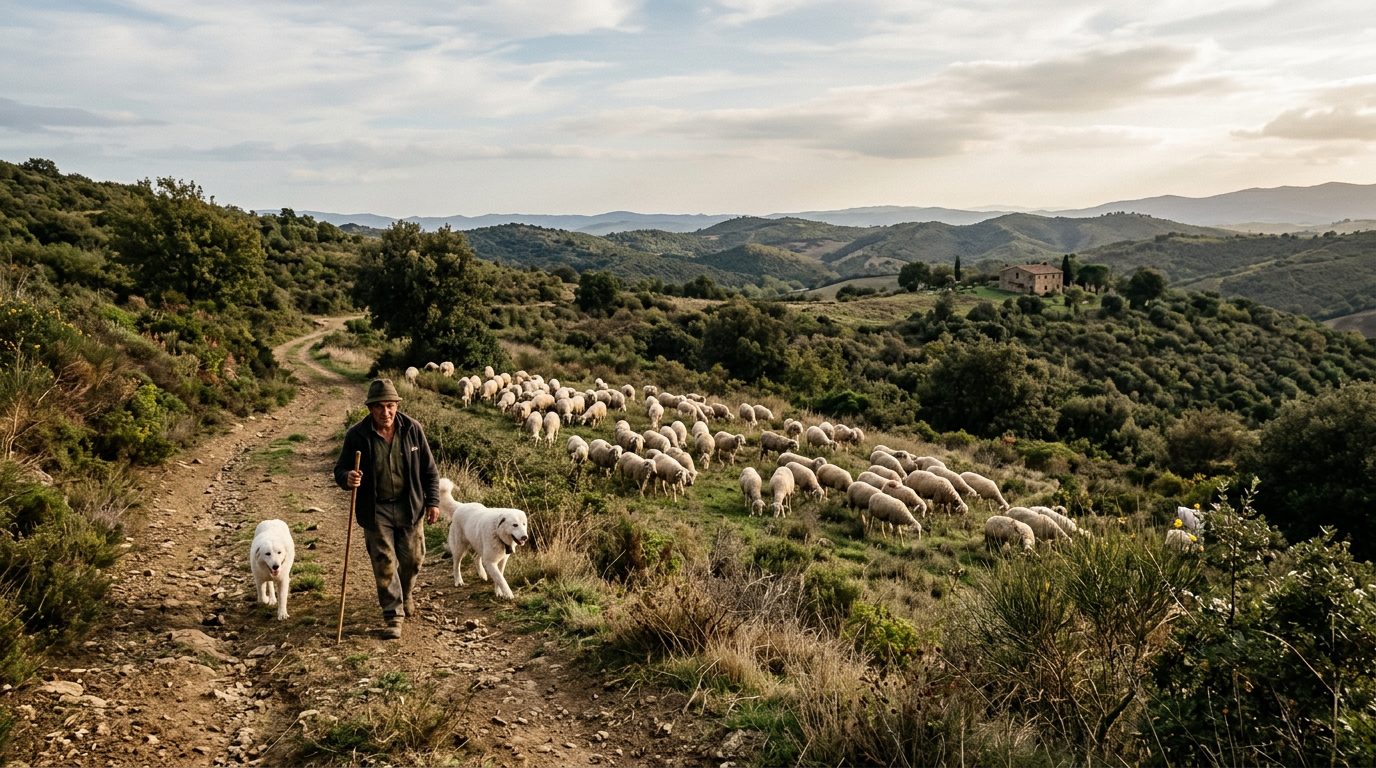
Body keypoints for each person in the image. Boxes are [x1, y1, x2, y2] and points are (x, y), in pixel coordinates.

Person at [334, 378, 440, 639]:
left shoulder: (412, 429)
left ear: (396, 406)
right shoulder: (356, 435)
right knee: (384, 563)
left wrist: (433, 501)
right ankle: (393, 615)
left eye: (390, 405)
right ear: (370, 408)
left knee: (413, 560)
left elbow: (429, 470)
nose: (386, 412)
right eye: (380, 406)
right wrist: (348, 477)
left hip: (410, 506)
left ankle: (406, 594)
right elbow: (340, 469)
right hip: (376, 509)